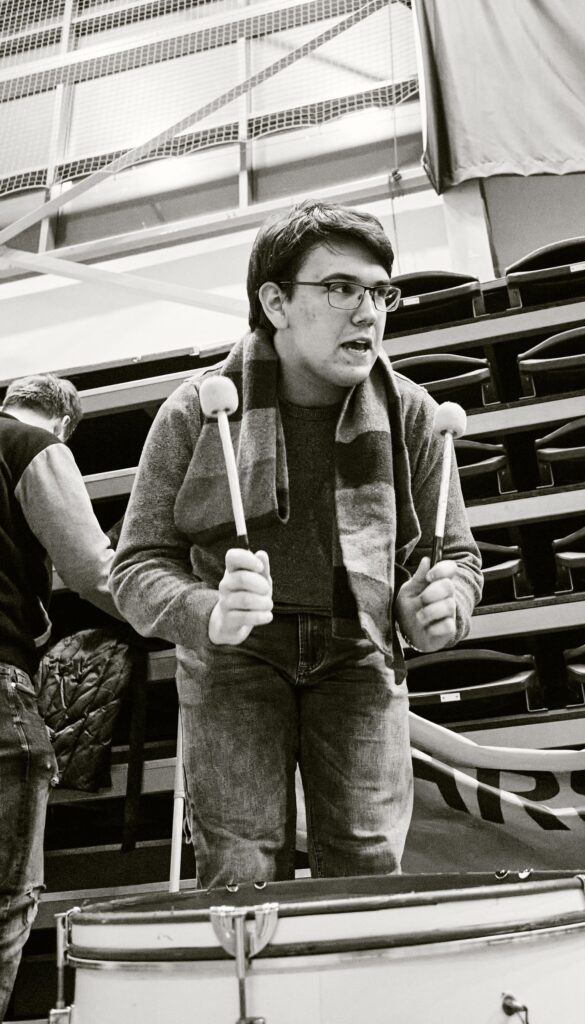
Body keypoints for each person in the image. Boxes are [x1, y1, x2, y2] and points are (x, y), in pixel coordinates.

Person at [110, 199, 483, 887]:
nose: (368, 313)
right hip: (235, 659)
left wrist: (441, 604)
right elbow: (135, 567)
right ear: (275, 302)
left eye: (380, 292)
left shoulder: (414, 414)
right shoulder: (195, 410)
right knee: (241, 868)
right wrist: (207, 612)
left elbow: (458, 557)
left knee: (368, 865)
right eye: (340, 288)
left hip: (359, 648)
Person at [0, 373, 122, 1021]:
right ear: (65, 423)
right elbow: (90, 568)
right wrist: (190, 617)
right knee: (5, 898)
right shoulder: (32, 447)